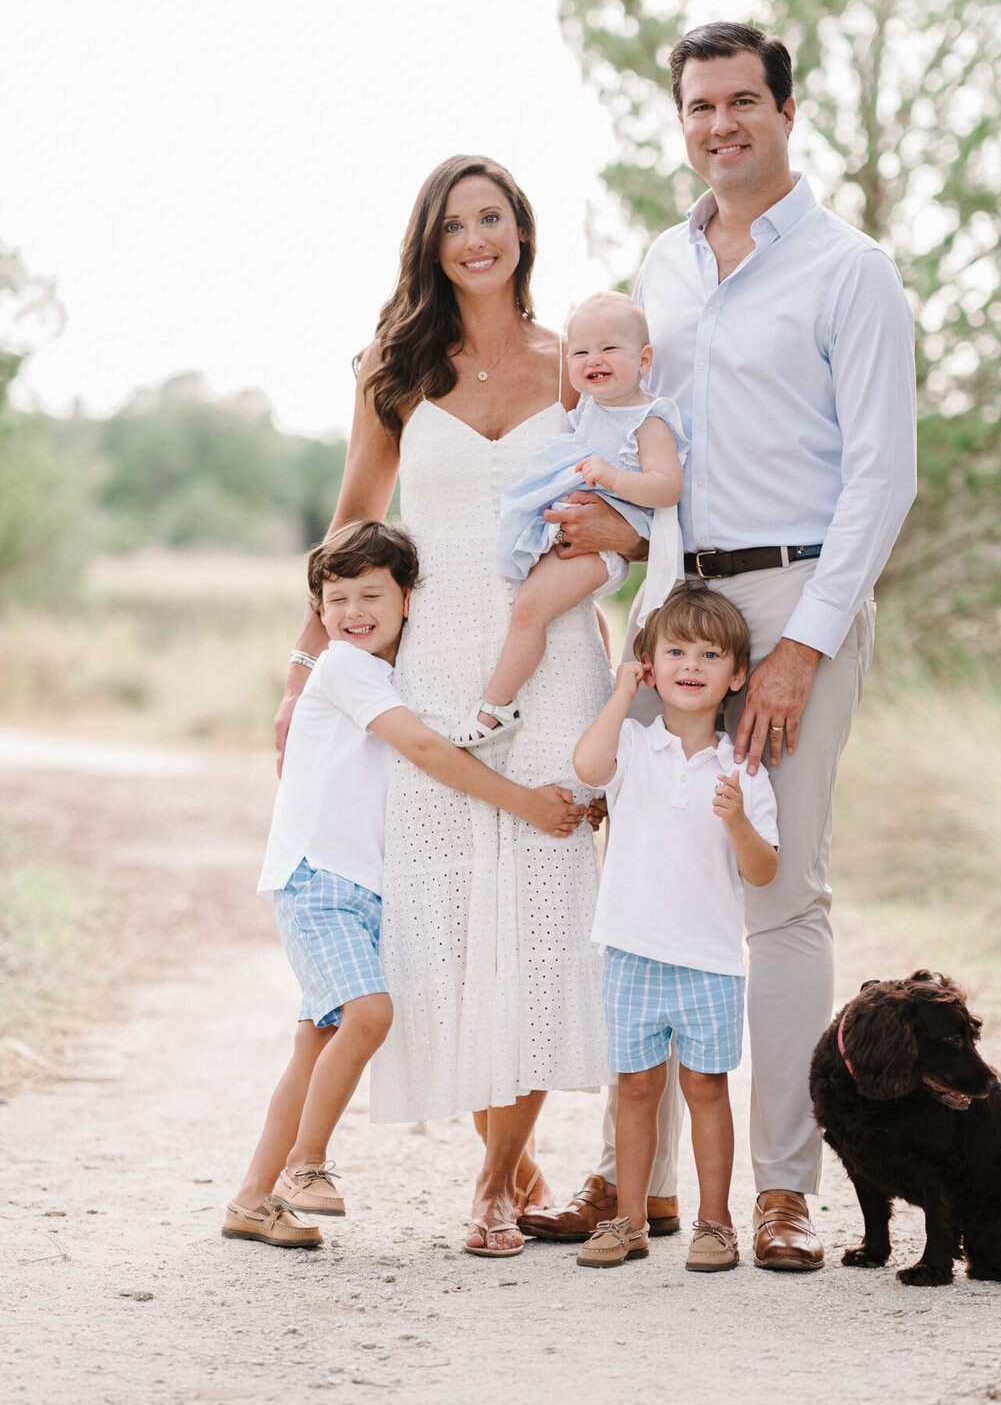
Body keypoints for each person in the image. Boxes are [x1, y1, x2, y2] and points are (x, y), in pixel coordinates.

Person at [519, 22, 918, 1271]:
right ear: (681, 118)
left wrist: (802, 644)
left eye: (744, 100)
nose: (720, 123)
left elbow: (881, 475)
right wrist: (618, 538)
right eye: (700, 105)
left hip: (799, 597)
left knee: (775, 887)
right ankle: (626, 1175)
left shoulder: (853, 271)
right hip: (675, 601)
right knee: (637, 857)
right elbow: (651, 438)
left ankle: (785, 1189)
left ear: (787, 111)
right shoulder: (660, 267)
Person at [273, 156, 614, 1258]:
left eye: (494, 217)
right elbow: (350, 523)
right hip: (431, 666)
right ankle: (514, 1156)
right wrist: (302, 668)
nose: (477, 238)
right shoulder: (399, 370)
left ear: (523, 230)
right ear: (431, 243)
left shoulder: (578, 367)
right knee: (445, 926)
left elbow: (634, 507)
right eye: (456, 224)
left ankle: (490, 1187)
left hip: (554, 659)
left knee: (543, 913)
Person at [225, 520, 583, 1251]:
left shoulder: (393, 675)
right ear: (318, 611)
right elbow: (424, 749)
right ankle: (306, 1165)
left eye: (370, 595)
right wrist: (526, 803)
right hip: (319, 877)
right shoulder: (345, 669)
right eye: (335, 599)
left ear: (408, 599)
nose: (352, 612)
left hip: (360, 885)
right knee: (368, 1015)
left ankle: (252, 1201)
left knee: (317, 1039)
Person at [572, 585, 777, 1272]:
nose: (691, 665)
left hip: (710, 960)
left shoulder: (743, 768)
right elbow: (588, 768)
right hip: (631, 950)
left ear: (737, 676)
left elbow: (764, 872)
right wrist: (621, 692)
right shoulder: (631, 741)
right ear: (650, 665)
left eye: (710, 654)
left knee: (706, 1088)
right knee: (634, 1088)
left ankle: (714, 1224)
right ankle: (628, 1218)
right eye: (675, 651)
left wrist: (737, 820)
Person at [450, 291, 687, 748]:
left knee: (529, 609)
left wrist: (614, 476)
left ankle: (497, 706)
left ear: (644, 360)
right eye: (580, 352)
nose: (593, 359)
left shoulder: (648, 420)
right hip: (576, 529)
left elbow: (666, 486)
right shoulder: (591, 411)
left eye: (608, 349)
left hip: (606, 540)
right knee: (537, 605)